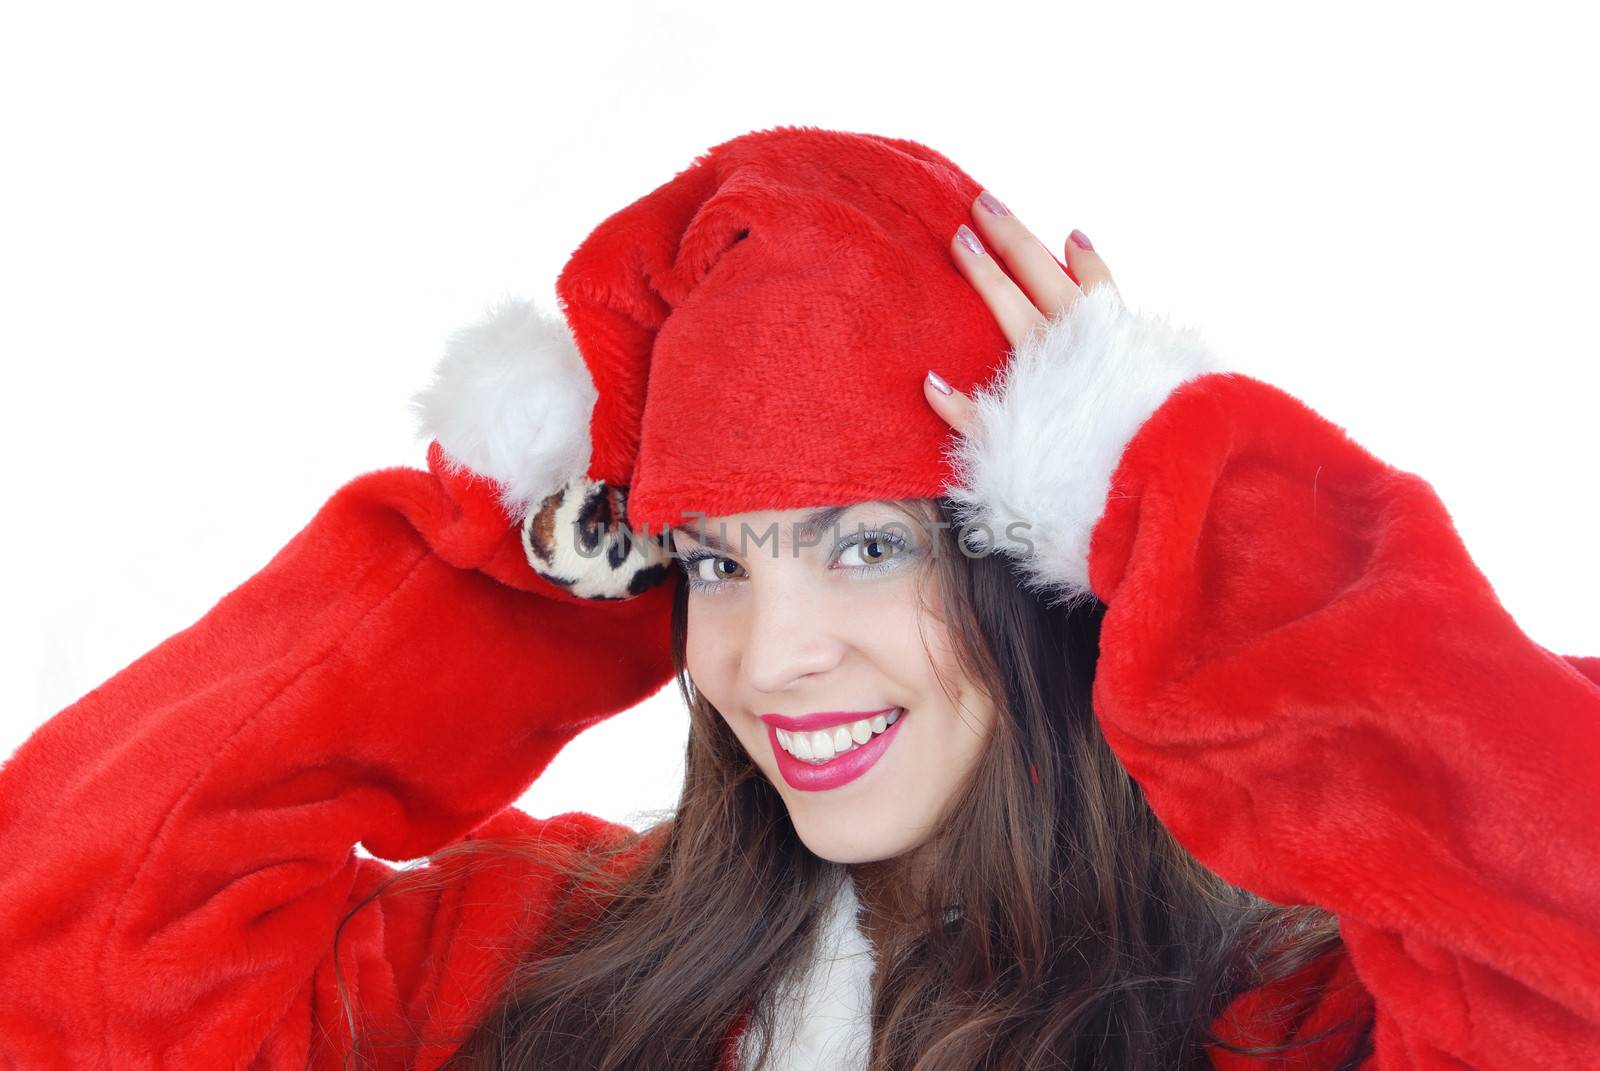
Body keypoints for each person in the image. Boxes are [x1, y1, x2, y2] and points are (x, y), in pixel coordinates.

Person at [1, 125, 1596, 1071]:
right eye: (712, 558)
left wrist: (1202, 523)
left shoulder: (1296, 1016)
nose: (768, 656)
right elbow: (69, 959)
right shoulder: (532, 960)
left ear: (1046, 557)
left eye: (865, 544)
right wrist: (514, 539)